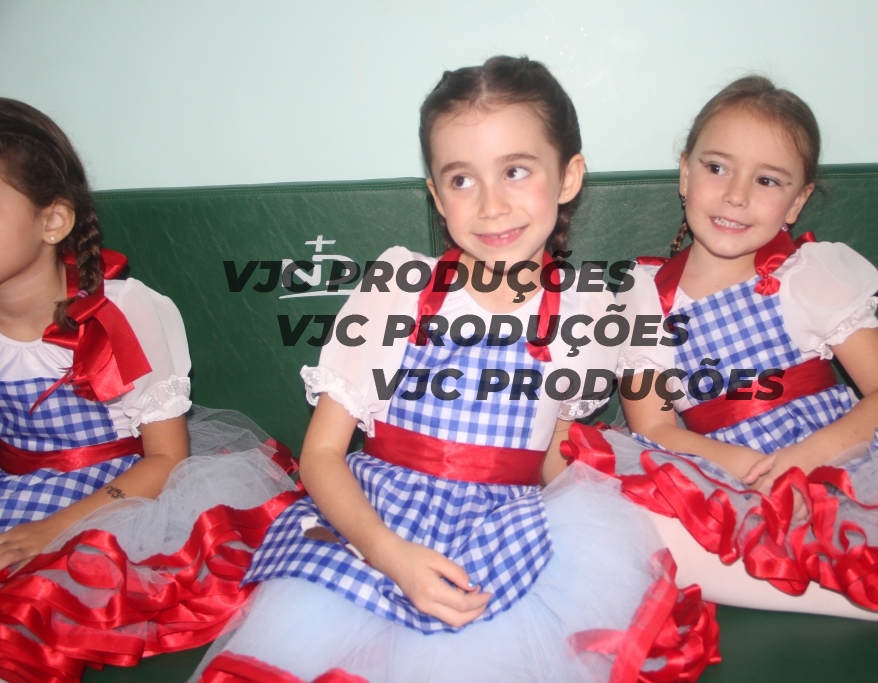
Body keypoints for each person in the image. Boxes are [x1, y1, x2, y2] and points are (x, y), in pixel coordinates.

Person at [192, 56, 719, 683]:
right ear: (437, 195)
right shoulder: (399, 289)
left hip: (502, 538)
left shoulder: (588, 312)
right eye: (463, 180)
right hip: (376, 529)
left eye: (516, 170)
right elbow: (322, 456)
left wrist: (600, 529)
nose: (492, 205)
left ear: (568, 176)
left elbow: (552, 455)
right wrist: (390, 555)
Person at [563, 75, 878, 683]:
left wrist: (808, 459)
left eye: (767, 181)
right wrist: (747, 469)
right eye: (717, 168)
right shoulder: (643, 300)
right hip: (728, 481)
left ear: (797, 201)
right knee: (633, 528)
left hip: (848, 462)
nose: (735, 196)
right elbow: (655, 429)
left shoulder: (807, 275)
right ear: (684, 174)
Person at [0, 98, 301, 683]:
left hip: (119, 494)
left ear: (52, 221)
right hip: (16, 488)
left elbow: (164, 458)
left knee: (27, 613)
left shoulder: (121, 312)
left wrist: (53, 530)